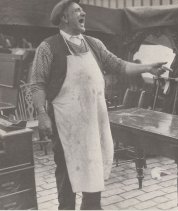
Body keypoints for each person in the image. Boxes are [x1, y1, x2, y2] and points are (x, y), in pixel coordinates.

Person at [30, 0, 166, 209]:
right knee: (67, 172)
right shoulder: (47, 47)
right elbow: (37, 84)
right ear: (64, 17)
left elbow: (118, 65)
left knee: (94, 169)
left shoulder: (94, 44)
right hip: (66, 123)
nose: (83, 12)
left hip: (94, 121)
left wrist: (148, 68)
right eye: (77, 10)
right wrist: (41, 114)